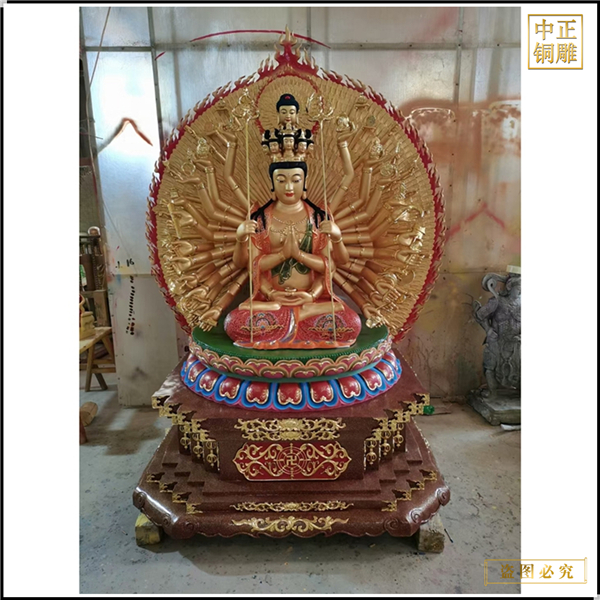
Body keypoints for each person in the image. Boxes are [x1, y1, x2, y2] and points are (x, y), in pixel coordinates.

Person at [220, 94, 361, 349]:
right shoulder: (260, 218)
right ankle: (295, 322)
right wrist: (272, 285)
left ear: (304, 185)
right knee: (235, 323)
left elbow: (332, 264)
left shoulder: (318, 217)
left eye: (295, 180)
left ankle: (294, 321)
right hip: (270, 301)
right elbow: (250, 266)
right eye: (281, 180)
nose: (288, 187)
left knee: (351, 323)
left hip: (312, 300)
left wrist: (310, 287)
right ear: (272, 186)